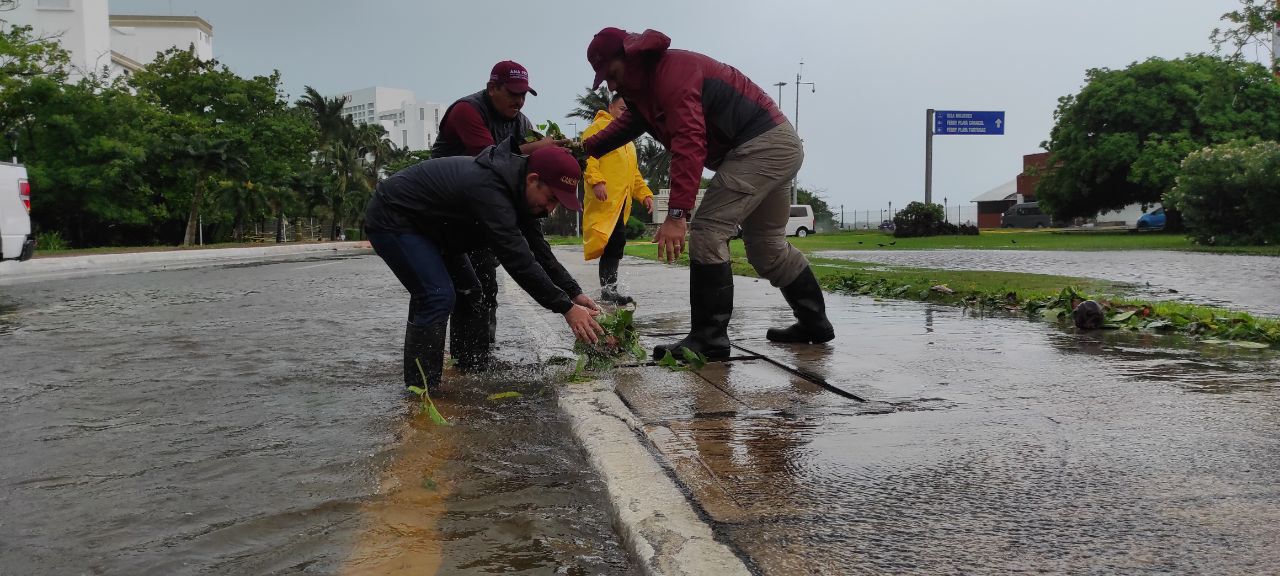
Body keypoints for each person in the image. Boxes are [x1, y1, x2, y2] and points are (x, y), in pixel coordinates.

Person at [583, 27, 835, 361]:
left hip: (762, 145)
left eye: (612, 75)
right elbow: (623, 128)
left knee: (707, 231)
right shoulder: (645, 89)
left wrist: (677, 215)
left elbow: (689, 143)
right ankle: (814, 323)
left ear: (629, 56)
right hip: (776, 145)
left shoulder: (672, 74)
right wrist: (577, 150)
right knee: (767, 248)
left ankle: (709, 338)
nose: (612, 86)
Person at [364, 140, 602, 391]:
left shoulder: (520, 193)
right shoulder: (491, 190)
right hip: (395, 218)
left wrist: (573, 292)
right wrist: (566, 308)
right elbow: (518, 261)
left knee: (469, 291)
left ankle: (467, 369)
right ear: (533, 180)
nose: (550, 209)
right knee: (436, 295)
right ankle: (422, 391)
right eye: (551, 198)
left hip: (433, 229)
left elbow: (539, 250)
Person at [431, 61, 563, 371]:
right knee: (464, 288)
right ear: (493, 88)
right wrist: (537, 148)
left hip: (485, 209)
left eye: (524, 95)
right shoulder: (466, 111)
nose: (519, 101)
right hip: (446, 211)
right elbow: (491, 160)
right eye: (513, 93)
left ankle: (481, 354)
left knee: (486, 284)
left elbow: (526, 171)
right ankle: (466, 361)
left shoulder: (521, 123)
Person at [580, 93, 655, 305]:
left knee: (616, 243)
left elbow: (634, 173)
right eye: (622, 109)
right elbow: (587, 157)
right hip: (604, 200)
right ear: (611, 107)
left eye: (629, 111)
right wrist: (597, 181)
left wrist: (645, 194)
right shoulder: (598, 128)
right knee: (610, 242)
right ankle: (608, 291)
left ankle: (609, 290)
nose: (625, 114)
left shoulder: (627, 140)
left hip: (620, 202)